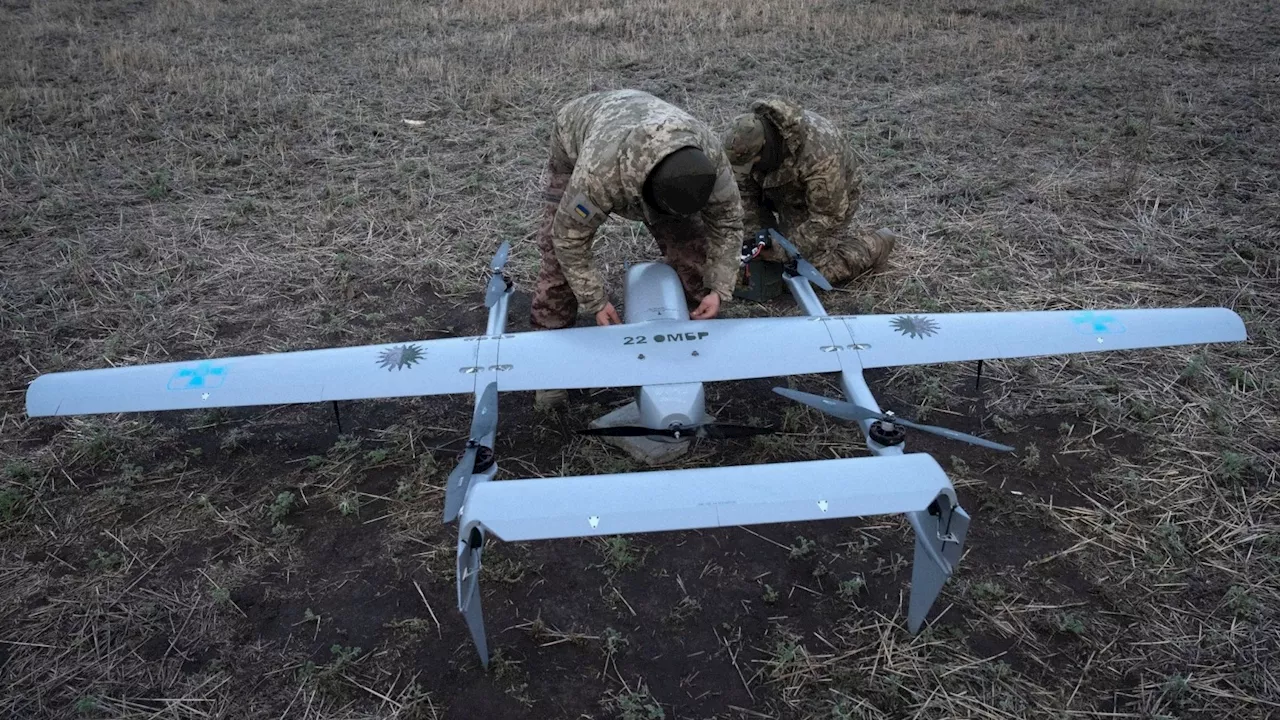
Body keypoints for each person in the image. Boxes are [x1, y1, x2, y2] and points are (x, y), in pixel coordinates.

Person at [531, 89, 744, 410]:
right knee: (557, 262)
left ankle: (683, 347)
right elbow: (568, 237)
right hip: (580, 133)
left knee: (691, 245)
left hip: (651, 136)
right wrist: (596, 301)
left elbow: (728, 223)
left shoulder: (709, 159)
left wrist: (719, 289)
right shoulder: (598, 175)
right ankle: (549, 368)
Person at [722, 98, 895, 285]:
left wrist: (782, 250)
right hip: (779, 190)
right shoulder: (743, 141)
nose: (747, 168)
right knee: (756, 262)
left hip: (823, 204)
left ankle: (874, 245)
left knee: (806, 274)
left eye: (752, 162)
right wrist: (757, 241)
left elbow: (825, 217)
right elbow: (743, 192)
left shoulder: (820, 156)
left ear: (765, 148)